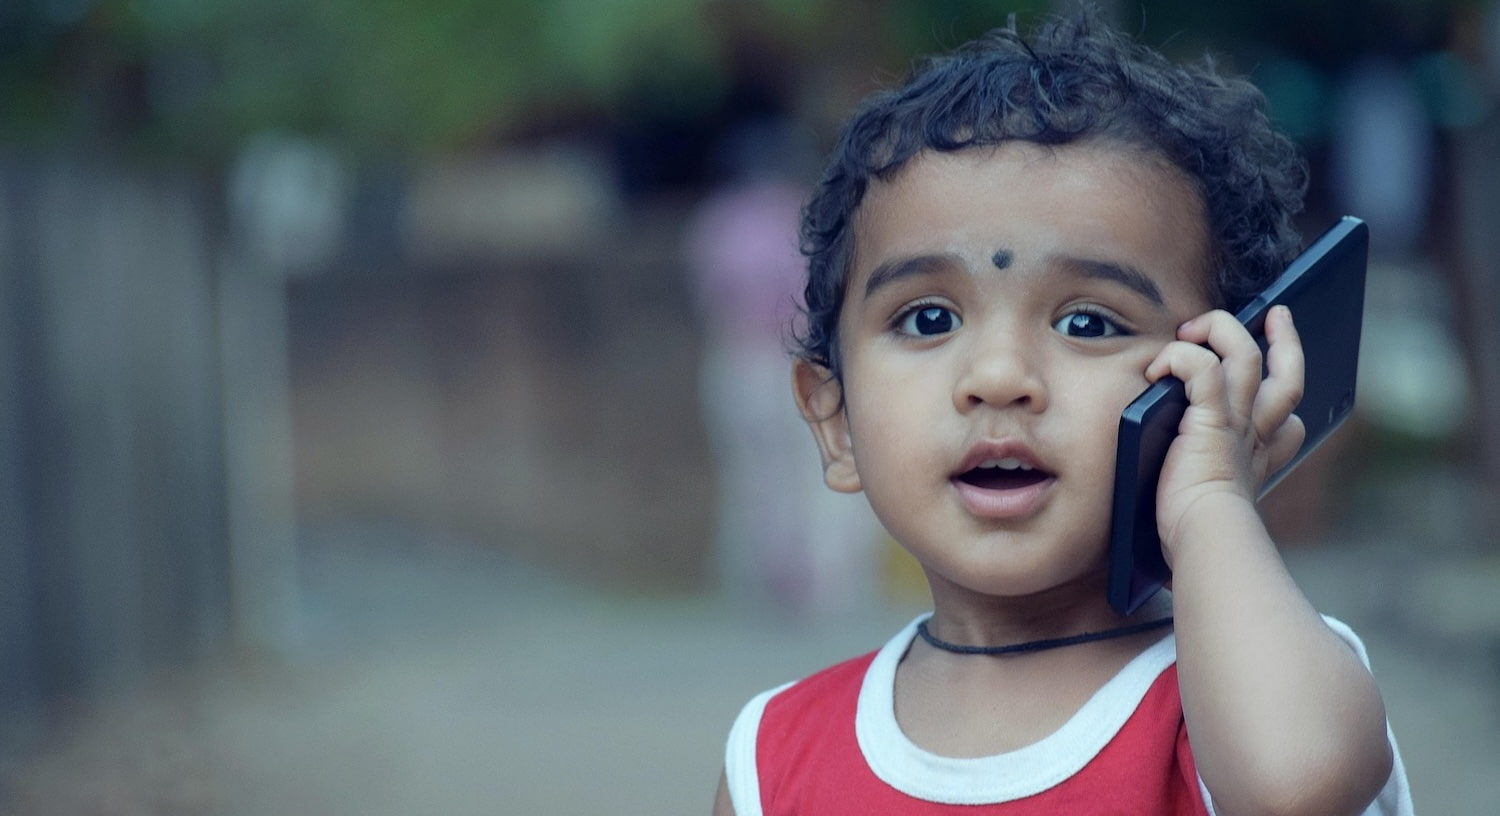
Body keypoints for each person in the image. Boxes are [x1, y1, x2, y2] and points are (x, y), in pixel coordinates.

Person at [714, 8, 1414, 815]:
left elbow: (1301, 786)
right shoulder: (773, 755)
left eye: (1087, 323)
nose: (1000, 377)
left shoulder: (1250, 695)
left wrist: (1209, 506)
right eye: (929, 318)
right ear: (834, 421)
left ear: (1222, 377)